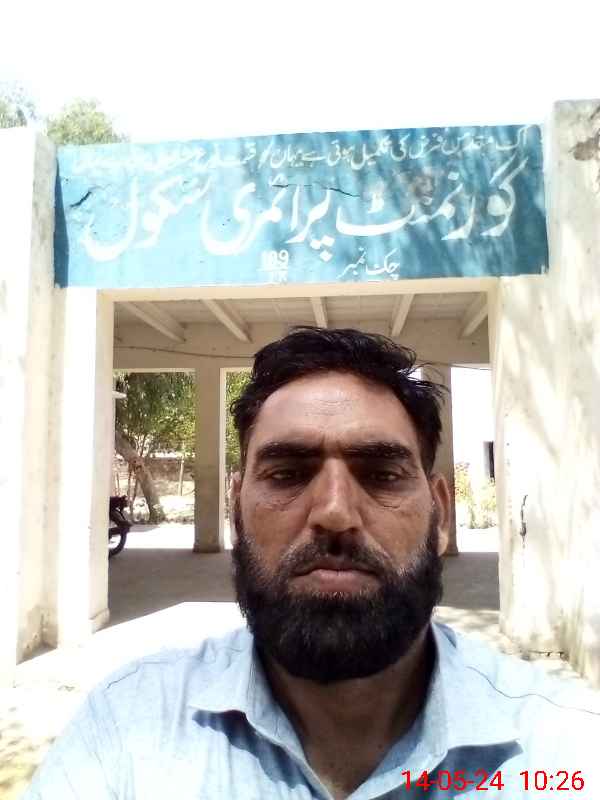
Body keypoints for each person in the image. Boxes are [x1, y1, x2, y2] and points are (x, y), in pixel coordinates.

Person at [23, 327, 600, 799]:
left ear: (441, 514)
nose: (334, 512)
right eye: (287, 473)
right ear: (236, 510)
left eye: (381, 474)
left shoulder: (564, 747)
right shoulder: (127, 727)